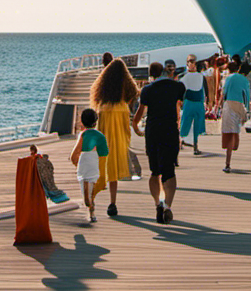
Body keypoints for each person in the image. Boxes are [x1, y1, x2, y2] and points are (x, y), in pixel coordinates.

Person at [133, 60, 184, 223]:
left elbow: (140, 112)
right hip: (170, 130)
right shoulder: (178, 86)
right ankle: (168, 206)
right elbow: (179, 106)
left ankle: (158, 204)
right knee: (169, 172)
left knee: (155, 172)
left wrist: (135, 126)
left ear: (150, 74)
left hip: (153, 132)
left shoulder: (147, 89)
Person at [90, 57, 137, 217]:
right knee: (114, 171)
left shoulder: (102, 106)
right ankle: (112, 203)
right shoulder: (123, 107)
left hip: (105, 136)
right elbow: (126, 129)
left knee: (100, 168)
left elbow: (99, 129)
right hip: (119, 139)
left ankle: (92, 197)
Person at [70, 108, 108, 222]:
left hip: (83, 161)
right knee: (92, 186)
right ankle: (92, 210)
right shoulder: (100, 136)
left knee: (83, 182)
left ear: (82, 122)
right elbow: (104, 153)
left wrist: (75, 163)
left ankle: (87, 197)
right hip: (93, 161)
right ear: (95, 122)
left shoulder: (83, 135)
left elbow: (74, 153)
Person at [218, 58, 251, 172]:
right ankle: (234, 146)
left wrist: (218, 107)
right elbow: (247, 94)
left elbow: (224, 93)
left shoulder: (228, 79)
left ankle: (227, 163)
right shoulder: (244, 79)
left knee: (229, 133)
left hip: (229, 105)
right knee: (235, 131)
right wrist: (247, 110)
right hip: (239, 105)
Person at [179, 54, 207, 155]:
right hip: (189, 102)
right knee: (185, 123)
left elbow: (205, 89)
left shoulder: (200, 76)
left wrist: (208, 102)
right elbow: (180, 91)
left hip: (198, 102)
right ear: (187, 63)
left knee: (198, 125)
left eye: (193, 61)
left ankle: (195, 145)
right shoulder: (183, 77)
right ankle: (180, 142)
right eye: (190, 61)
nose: (191, 64)